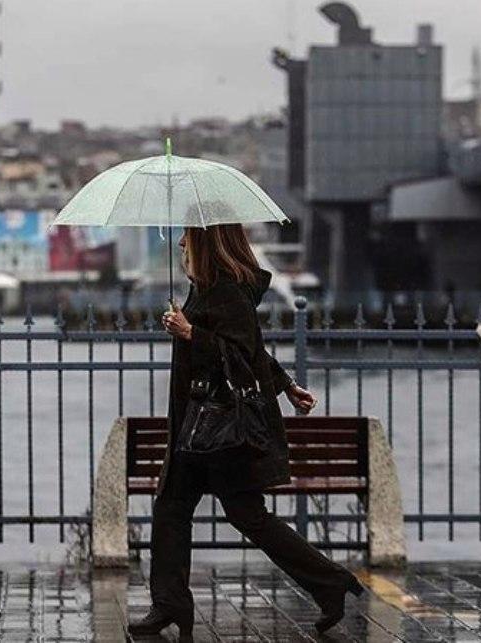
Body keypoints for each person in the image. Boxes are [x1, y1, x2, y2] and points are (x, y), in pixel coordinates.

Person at [128, 224, 363, 639]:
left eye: (188, 235)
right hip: (197, 428)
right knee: (171, 508)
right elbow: (252, 349)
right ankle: (170, 604)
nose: (182, 242)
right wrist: (287, 385)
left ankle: (329, 582)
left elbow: (237, 355)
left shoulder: (228, 292)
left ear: (208, 240)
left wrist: (190, 334)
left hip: (219, 428)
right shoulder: (207, 288)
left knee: (245, 516)